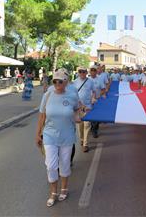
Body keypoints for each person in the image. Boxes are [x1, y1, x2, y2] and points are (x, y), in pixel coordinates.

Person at [35, 69, 80, 207]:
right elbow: (42, 115)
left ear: (66, 82)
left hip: (67, 136)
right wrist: (38, 134)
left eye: (60, 81)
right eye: (55, 81)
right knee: (51, 165)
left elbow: (77, 110)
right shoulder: (48, 95)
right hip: (49, 135)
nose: (57, 83)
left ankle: (64, 188)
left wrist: (79, 116)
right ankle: (53, 191)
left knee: (64, 163)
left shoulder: (72, 95)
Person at [46, 68, 78, 167]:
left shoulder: (73, 89)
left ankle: (68, 160)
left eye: (64, 76)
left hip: (69, 123)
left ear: (67, 78)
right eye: (57, 79)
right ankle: (57, 163)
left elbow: (77, 104)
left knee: (69, 143)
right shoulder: (51, 89)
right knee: (54, 147)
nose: (58, 82)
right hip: (53, 126)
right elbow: (44, 109)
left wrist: (78, 115)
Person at [73, 67, 96, 152]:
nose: (82, 73)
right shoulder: (75, 82)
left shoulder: (90, 81)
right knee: (80, 125)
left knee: (87, 125)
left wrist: (93, 98)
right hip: (78, 107)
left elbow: (93, 91)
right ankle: (82, 139)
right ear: (78, 73)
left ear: (86, 72)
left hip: (87, 106)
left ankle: (85, 144)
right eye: (80, 72)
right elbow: (73, 95)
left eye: (83, 72)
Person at [89, 65, 106, 138]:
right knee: (90, 115)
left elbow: (103, 89)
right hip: (88, 100)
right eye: (91, 70)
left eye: (94, 70)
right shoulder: (87, 80)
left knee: (96, 116)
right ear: (90, 71)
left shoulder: (99, 79)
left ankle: (94, 129)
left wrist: (100, 96)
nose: (93, 72)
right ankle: (92, 127)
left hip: (97, 100)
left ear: (96, 71)